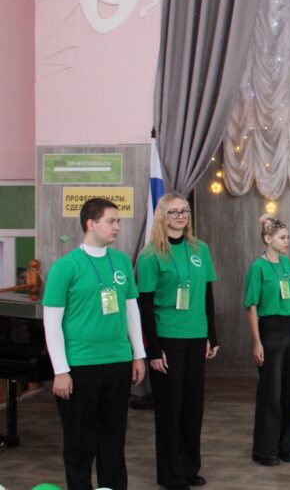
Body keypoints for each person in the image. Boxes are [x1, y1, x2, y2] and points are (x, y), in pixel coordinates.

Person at [42, 198, 146, 490]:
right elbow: (52, 323)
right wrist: (60, 370)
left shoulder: (122, 261)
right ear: (91, 224)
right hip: (80, 366)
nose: (117, 227)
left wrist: (138, 354)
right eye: (111, 221)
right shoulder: (65, 267)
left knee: (114, 438)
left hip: (117, 362)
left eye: (118, 222)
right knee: (79, 442)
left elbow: (131, 310)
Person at [136, 193, 218, 488]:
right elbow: (145, 306)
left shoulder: (200, 249)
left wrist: (211, 335)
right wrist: (153, 350)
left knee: (193, 407)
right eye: (174, 212)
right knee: (170, 409)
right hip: (167, 339)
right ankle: (171, 475)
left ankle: (189, 468)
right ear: (162, 216)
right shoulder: (150, 255)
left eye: (184, 211)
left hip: (196, 336)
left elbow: (207, 295)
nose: (181, 216)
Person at [244, 215, 290, 466]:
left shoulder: (288, 264)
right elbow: (251, 307)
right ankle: (265, 449)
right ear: (267, 239)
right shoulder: (257, 268)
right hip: (270, 330)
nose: (287, 241)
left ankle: (288, 445)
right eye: (282, 237)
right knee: (271, 392)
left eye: (288, 237)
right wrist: (257, 342)